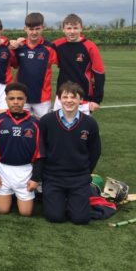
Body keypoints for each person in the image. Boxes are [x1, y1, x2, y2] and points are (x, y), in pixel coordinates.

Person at [39, 81, 101, 224]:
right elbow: (40, 149)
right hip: (53, 177)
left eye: (74, 97)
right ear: (59, 99)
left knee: (80, 219)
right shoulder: (47, 121)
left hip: (78, 178)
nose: (69, 101)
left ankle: (86, 193)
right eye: (65, 97)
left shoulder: (89, 123)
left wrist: (85, 172)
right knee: (55, 217)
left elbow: (95, 151)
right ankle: (61, 200)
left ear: (80, 100)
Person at [0, 82, 41, 216]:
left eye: (20, 98)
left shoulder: (35, 123)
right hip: (3, 170)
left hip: (25, 172)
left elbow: (40, 153)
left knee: (26, 213)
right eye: (11, 99)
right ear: (6, 100)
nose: (15, 102)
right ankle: (10, 195)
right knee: (2, 210)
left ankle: (19, 196)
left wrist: (35, 178)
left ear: (25, 100)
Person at [53, 13, 105, 113]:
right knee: (58, 126)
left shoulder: (90, 46)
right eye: (68, 28)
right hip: (62, 95)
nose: (72, 31)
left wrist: (97, 100)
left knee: (81, 127)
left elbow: (99, 73)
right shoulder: (57, 45)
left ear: (81, 28)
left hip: (83, 95)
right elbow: (40, 49)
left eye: (75, 28)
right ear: (63, 29)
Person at [11, 12, 58, 119]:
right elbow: (12, 64)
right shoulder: (19, 47)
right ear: (25, 29)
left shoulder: (49, 48)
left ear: (43, 28)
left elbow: (62, 65)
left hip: (42, 98)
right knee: (21, 126)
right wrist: (12, 47)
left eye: (37, 28)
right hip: (21, 96)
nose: (34, 32)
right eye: (31, 29)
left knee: (44, 128)